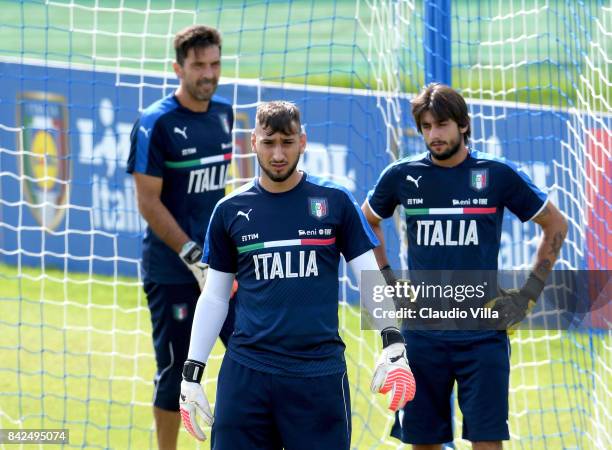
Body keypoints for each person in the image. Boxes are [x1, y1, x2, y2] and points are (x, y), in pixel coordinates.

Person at [178, 101, 416, 450]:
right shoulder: (229, 210)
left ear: (303, 141)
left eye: (287, 142)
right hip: (247, 375)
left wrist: (393, 342)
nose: (278, 153)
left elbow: (369, 277)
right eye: (269, 142)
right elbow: (215, 296)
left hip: (317, 377)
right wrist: (191, 373)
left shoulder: (335, 201)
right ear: (253, 141)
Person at [361, 83, 568, 450]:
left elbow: (556, 225)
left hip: (483, 337)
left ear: (463, 124)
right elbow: (367, 222)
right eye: (426, 126)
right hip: (421, 336)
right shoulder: (401, 176)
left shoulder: (497, 174)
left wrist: (527, 297)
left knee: (487, 443)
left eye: (441, 124)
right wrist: (390, 279)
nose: (433, 134)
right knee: (422, 442)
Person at [126, 25, 235, 450]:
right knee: (175, 370)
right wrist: (192, 255)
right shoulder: (156, 123)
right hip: (173, 270)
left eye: (215, 64)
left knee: (251, 355)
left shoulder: (224, 114)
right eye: (198, 66)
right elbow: (148, 202)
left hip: (222, 270)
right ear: (178, 68)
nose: (208, 74)